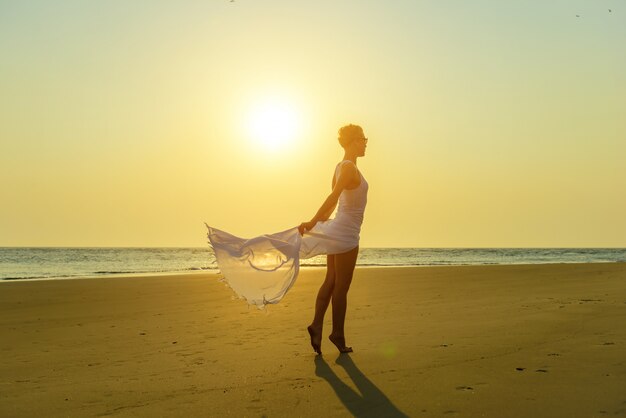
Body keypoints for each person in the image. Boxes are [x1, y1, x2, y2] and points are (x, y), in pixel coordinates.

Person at [298, 124, 368, 354]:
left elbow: (333, 205)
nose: (365, 142)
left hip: (339, 229)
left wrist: (319, 224)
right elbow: (333, 197)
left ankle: (317, 326)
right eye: (361, 138)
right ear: (350, 142)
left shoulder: (340, 167)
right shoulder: (347, 168)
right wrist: (313, 221)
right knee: (341, 287)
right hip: (346, 233)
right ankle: (337, 334)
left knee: (330, 281)